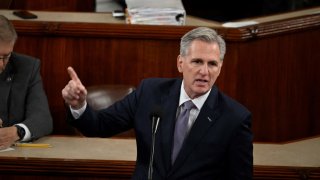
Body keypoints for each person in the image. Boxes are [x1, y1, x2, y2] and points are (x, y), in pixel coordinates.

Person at [62, 27, 253, 179]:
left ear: (220, 68)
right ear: (180, 63)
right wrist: (79, 105)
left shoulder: (235, 118)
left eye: (212, 64)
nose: (204, 71)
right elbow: (99, 125)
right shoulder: (150, 92)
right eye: (197, 62)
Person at [0, 15, 53, 149]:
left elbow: (43, 118)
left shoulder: (26, 67)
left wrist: (18, 131)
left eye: (6, 57)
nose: (1, 64)